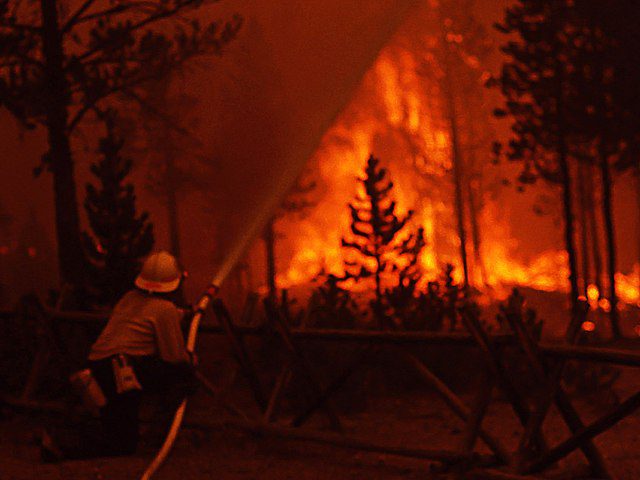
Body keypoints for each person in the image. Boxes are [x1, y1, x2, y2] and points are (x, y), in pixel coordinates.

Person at [42, 251, 197, 461]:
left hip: (99, 367)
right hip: (124, 371)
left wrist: (184, 314)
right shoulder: (165, 309)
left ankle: (60, 439)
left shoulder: (129, 298)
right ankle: (161, 430)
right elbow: (173, 357)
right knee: (183, 374)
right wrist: (190, 359)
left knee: (116, 431)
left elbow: (147, 315)